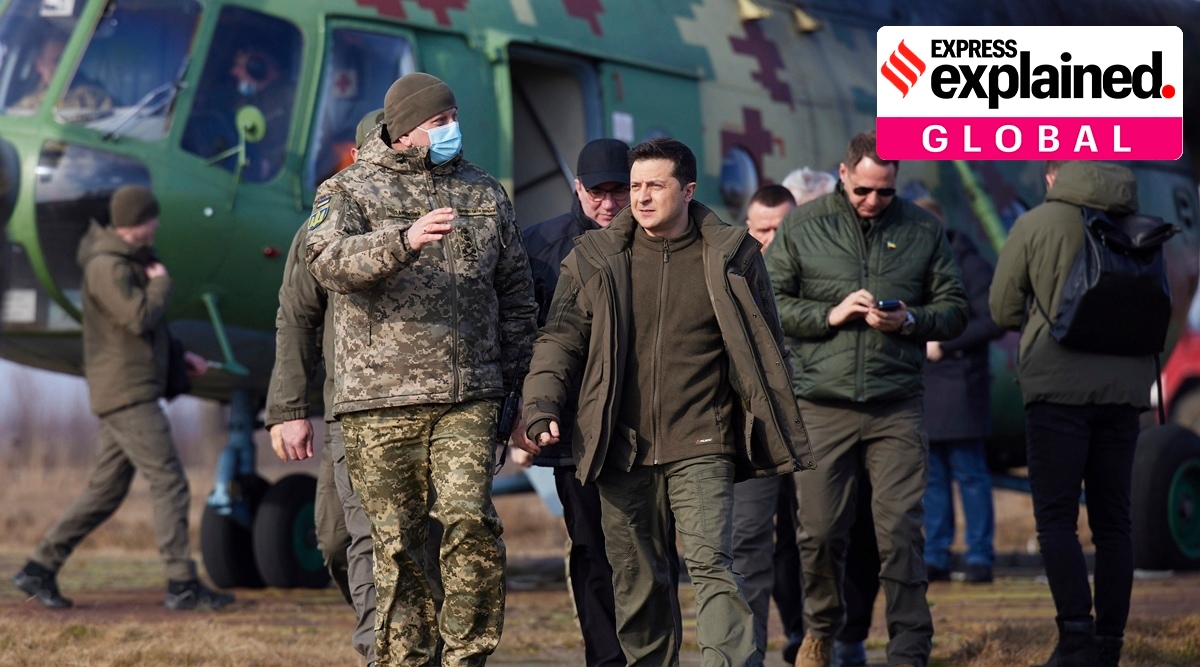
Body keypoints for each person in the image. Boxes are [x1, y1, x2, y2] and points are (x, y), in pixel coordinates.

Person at [522, 137, 813, 667]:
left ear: (688, 189)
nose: (641, 197)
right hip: (620, 446)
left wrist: (770, 425)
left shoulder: (731, 254)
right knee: (636, 580)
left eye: (655, 185)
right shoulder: (594, 256)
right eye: (636, 186)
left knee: (711, 565)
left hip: (704, 437)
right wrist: (539, 406)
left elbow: (765, 344)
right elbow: (559, 338)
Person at [305, 72, 538, 667]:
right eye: (439, 121)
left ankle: (468, 657)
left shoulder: (485, 194)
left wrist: (521, 399)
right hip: (379, 401)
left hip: (469, 396)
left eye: (453, 117)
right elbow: (327, 261)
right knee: (399, 547)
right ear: (405, 129)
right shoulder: (348, 190)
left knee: (470, 523)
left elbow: (516, 300)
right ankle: (406, 659)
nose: (451, 130)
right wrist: (402, 241)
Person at [765, 130, 967, 667]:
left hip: (895, 404)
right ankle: (821, 631)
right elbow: (770, 302)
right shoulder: (803, 227)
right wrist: (828, 315)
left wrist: (912, 320)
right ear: (844, 173)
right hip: (822, 403)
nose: (873, 201)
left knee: (900, 531)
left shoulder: (923, 229)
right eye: (864, 190)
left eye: (884, 191)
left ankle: (908, 649)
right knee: (820, 532)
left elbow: (955, 307)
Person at [11, 185, 233, 612]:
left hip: (128, 388)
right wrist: (162, 284)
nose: (157, 226)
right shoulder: (107, 266)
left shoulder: (126, 263)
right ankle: (182, 584)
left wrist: (179, 355)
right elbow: (136, 318)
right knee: (169, 481)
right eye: (152, 219)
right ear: (137, 223)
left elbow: (141, 328)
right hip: (128, 393)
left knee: (106, 491)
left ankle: (39, 568)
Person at [521, 137, 681, 667]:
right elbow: (524, 341)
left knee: (649, 552)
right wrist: (522, 417)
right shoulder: (540, 247)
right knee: (592, 551)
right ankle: (607, 659)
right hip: (575, 433)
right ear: (577, 188)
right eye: (598, 192)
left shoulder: (663, 239)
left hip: (650, 428)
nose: (609, 204)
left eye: (621, 190)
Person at [990, 160, 1153, 667]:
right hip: (1125, 391)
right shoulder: (1139, 224)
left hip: (1056, 390)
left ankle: (1076, 637)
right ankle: (1109, 643)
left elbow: (1001, 309)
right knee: (1114, 523)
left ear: (1051, 176)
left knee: (1057, 519)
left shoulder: (1037, 223)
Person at [265, 109, 384, 666]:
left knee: (407, 544)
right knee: (336, 540)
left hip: (425, 413)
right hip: (346, 409)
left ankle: (384, 651)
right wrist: (289, 407)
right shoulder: (324, 223)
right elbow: (296, 316)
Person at [915, 196, 1003, 585]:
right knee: (932, 477)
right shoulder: (912, 264)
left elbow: (993, 319)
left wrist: (944, 342)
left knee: (970, 474)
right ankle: (936, 555)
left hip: (963, 386)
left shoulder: (968, 263)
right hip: (925, 387)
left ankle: (979, 556)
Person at [730, 182, 802, 659]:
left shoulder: (821, 266)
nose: (771, 241)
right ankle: (748, 651)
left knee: (815, 539)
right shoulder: (731, 271)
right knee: (748, 539)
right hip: (756, 425)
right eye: (762, 230)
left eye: (782, 229)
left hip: (814, 418)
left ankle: (812, 637)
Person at [11, 35, 111, 116]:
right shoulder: (25, 103)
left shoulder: (93, 97)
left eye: (68, 60)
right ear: (40, 64)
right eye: (57, 61)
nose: (65, 66)